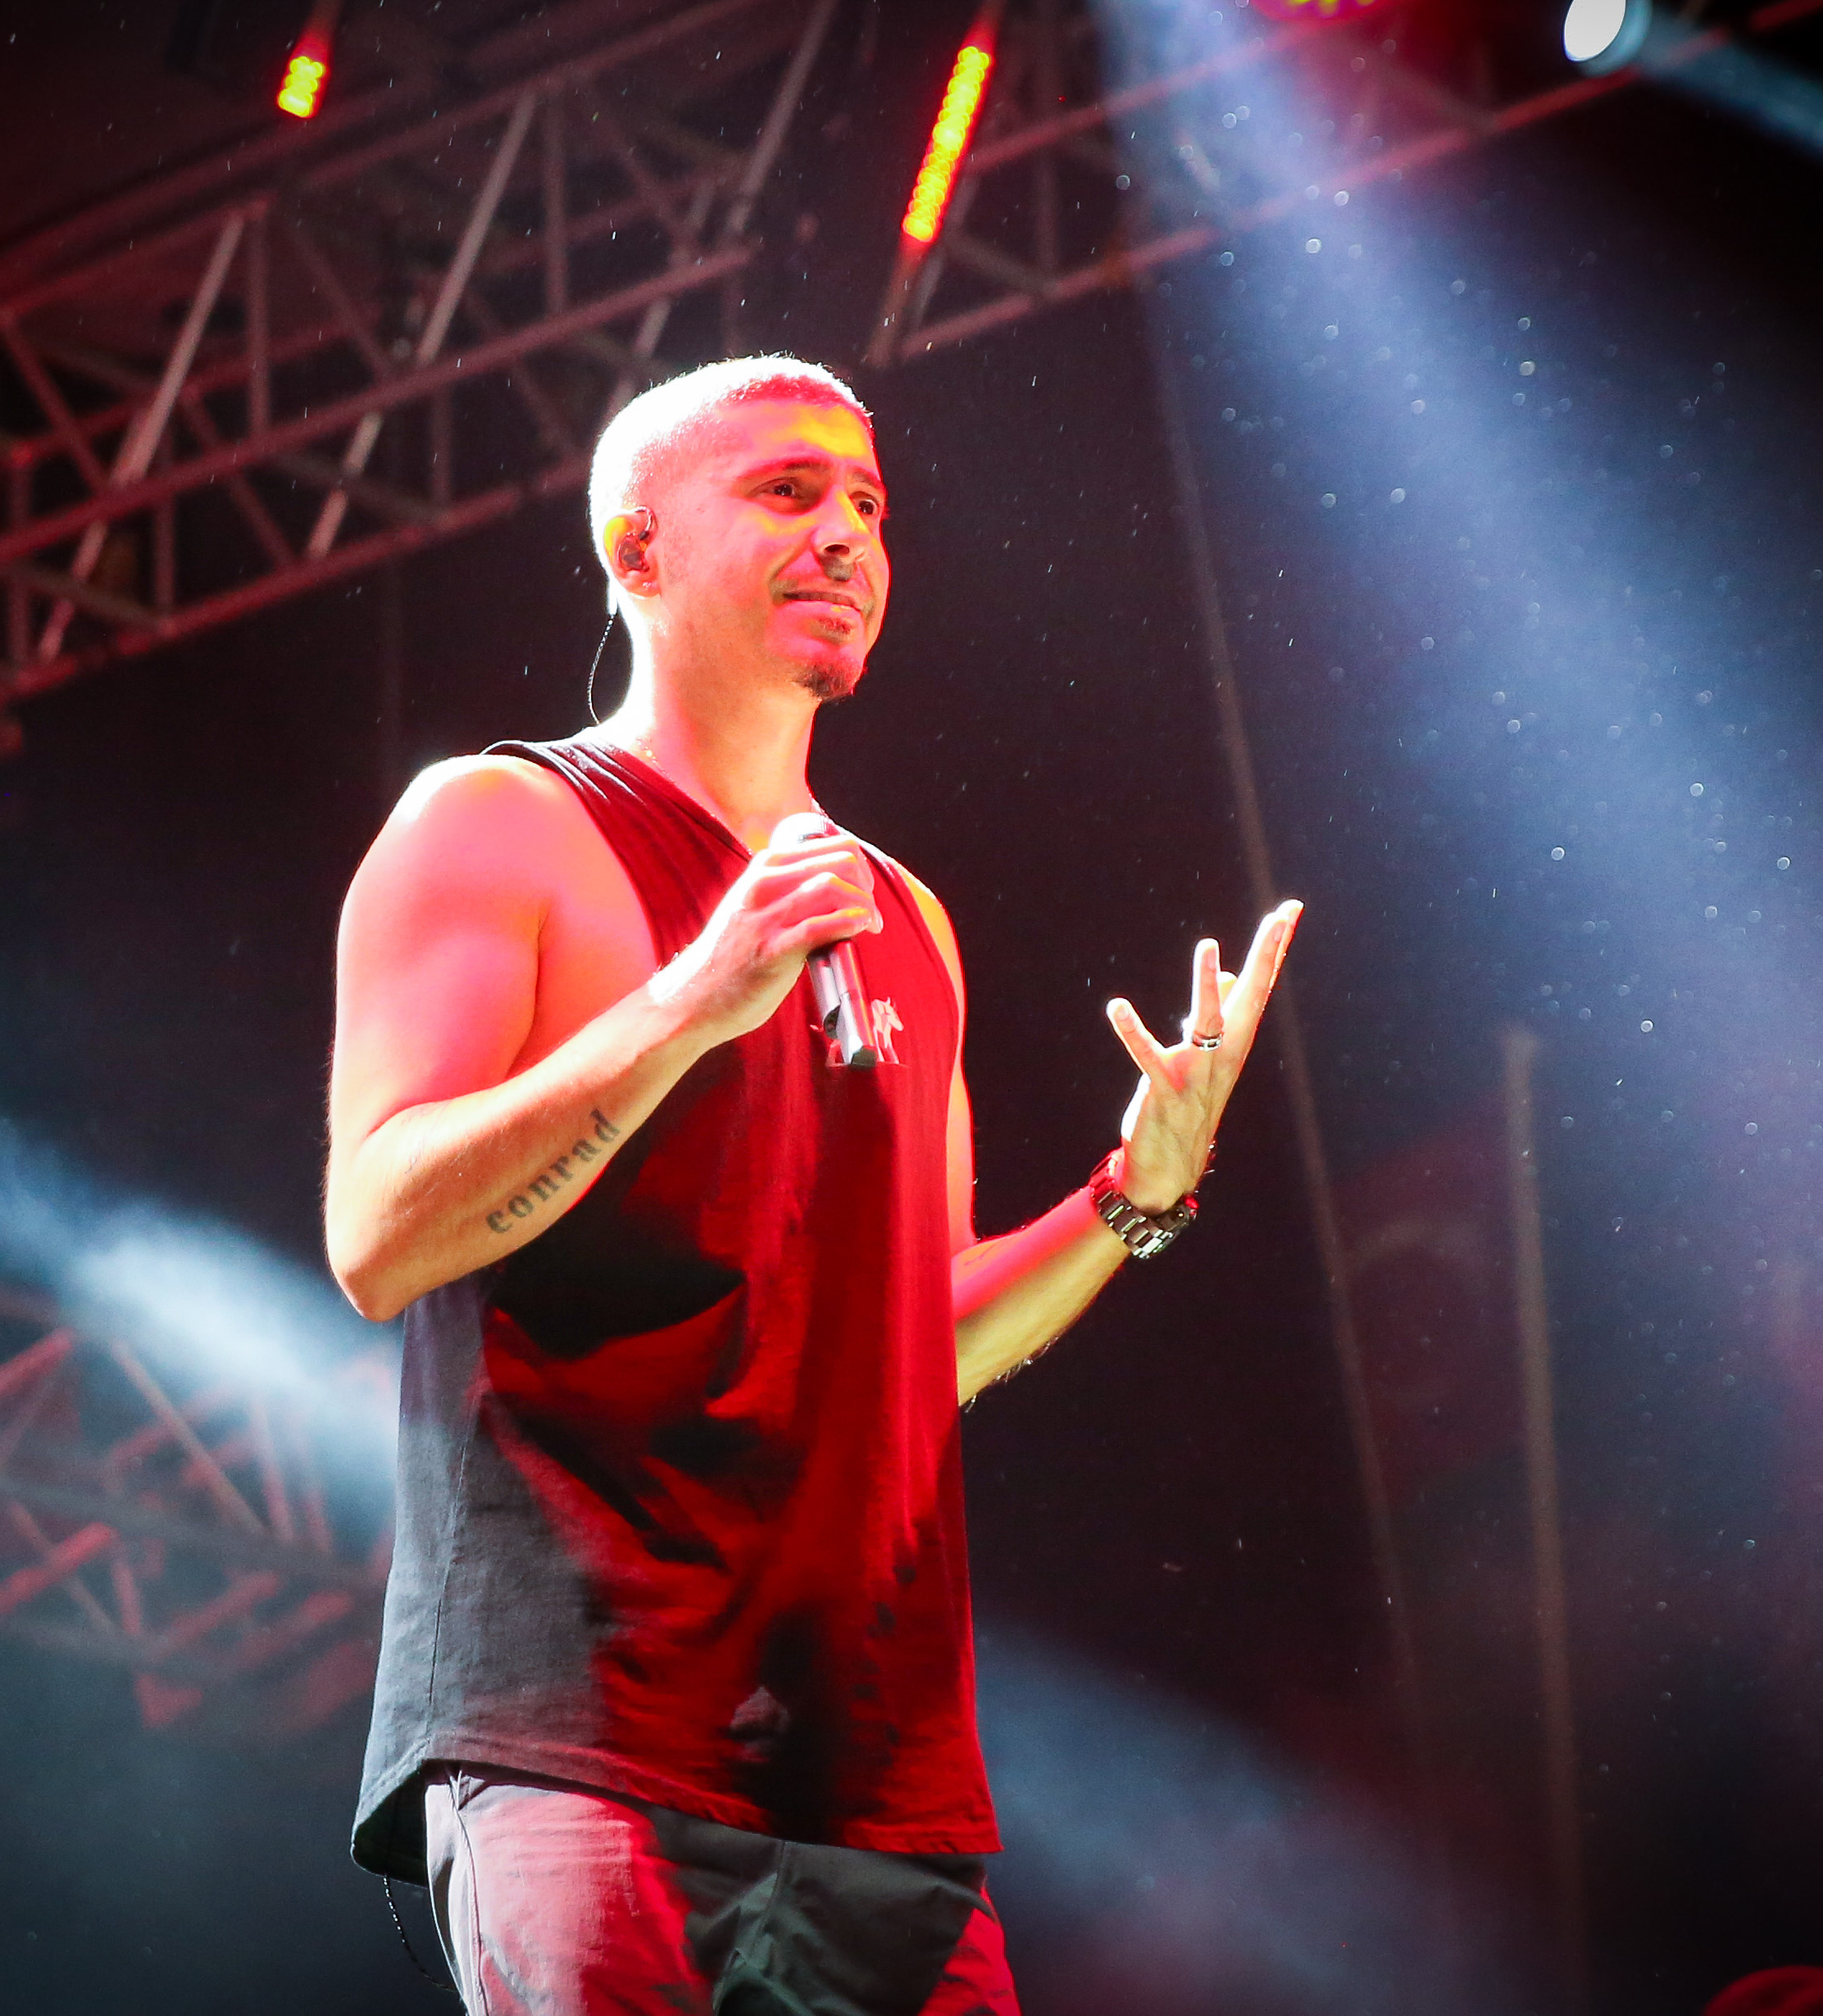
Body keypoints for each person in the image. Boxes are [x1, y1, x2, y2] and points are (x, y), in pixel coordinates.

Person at [323, 354, 1300, 2014]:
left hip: (874, 1776)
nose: (847, 532)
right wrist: (690, 1001)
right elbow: (378, 1232)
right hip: (584, 1731)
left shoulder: (904, 918)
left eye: (869, 503)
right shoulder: (497, 822)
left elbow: (924, 1344)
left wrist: (1129, 1198)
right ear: (637, 549)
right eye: (786, 490)